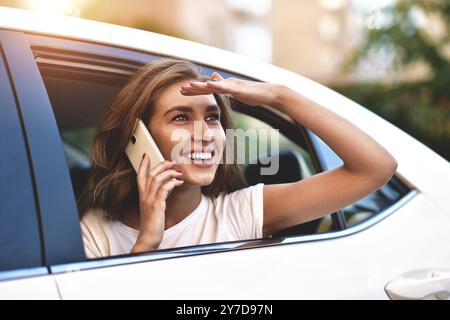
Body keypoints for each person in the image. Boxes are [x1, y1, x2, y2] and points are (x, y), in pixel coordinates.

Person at [79, 59, 397, 259]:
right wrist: (148, 242)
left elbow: (376, 168)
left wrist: (280, 96)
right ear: (137, 139)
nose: (204, 133)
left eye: (213, 118)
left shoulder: (241, 212)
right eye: (180, 118)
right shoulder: (94, 233)